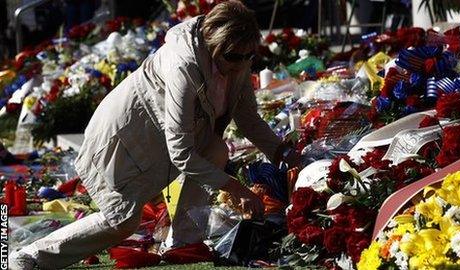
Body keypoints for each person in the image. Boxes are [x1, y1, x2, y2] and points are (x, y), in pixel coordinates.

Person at [9, 1, 300, 269]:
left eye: (249, 56)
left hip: (162, 141)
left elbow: (247, 117)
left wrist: (282, 152)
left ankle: (184, 241)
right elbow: (181, 153)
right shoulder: (183, 66)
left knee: (215, 150)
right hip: (123, 139)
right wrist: (235, 188)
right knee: (122, 220)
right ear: (214, 43)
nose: (241, 63)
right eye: (235, 56)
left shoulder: (235, 56)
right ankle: (32, 257)